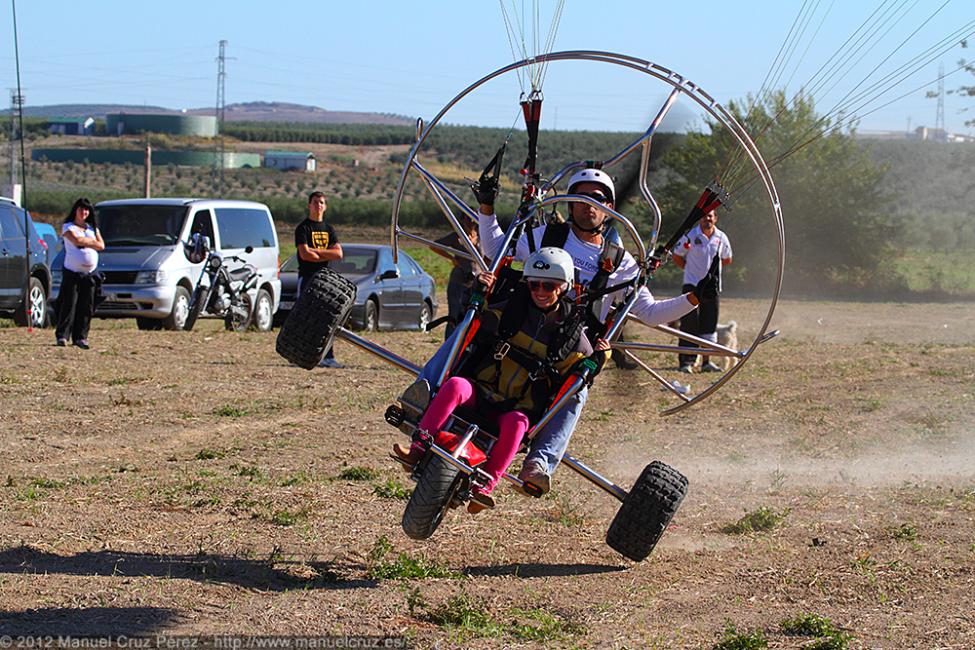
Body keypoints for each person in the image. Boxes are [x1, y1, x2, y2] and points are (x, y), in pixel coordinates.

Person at [415, 167, 716, 495]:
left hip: (567, 348)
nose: (588, 205)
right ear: (570, 204)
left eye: (597, 199)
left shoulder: (621, 263)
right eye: (581, 197)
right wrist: (486, 208)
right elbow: (497, 248)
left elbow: (650, 313)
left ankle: (540, 463)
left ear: (609, 208)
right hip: (522, 325)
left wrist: (696, 297)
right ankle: (422, 394)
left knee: (579, 385)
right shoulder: (546, 235)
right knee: (472, 326)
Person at [394, 247, 610, 514]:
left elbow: (577, 377)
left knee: (518, 425)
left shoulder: (573, 337)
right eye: (534, 285)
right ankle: (419, 445)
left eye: (549, 285)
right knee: (455, 386)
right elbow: (474, 318)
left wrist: (599, 359)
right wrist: (476, 292)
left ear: (564, 287)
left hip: (513, 408)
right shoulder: (509, 310)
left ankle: (484, 487)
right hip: (480, 390)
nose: (541, 291)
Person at [673, 209, 732, 373]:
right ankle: (686, 362)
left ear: (715, 218)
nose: (707, 219)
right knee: (689, 324)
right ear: (700, 219)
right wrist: (689, 269)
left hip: (711, 288)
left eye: (710, 216)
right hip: (692, 285)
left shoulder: (721, 237)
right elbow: (677, 255)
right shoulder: (691, 235)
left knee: (709, 324)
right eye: (705, 216)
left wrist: (713, 272)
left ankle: (706, 361)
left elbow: (727, 259)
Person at [294, 191, 344, 368]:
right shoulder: (303, 228)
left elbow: (338, 253)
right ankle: (300, 356)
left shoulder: (328, 229)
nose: (318, 205)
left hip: (325, 280)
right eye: (315, 202)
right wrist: (323, 253)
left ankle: (328, 356)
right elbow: (305, 255)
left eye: (321, 202)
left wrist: (318, 253)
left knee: (327, 319)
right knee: (306, 318)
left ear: (325, 206)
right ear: (309, 205)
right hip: (308, 278)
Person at [55, 198, 104, 349]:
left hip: (89, 274)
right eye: (81, 209)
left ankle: (80, 337)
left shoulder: (92, 229)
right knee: (69, 304)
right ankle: (63, 335)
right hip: (73, 273)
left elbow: (101, 245)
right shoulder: (68, 227)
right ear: (75, 210)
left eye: (86, 210)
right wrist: (90, 242)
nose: (84, 212)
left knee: (86, 306)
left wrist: (86, 241)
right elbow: (75, 241)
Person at [433, 218, 481, 339]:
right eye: (467, 220)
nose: (470, 222)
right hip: (459, 280)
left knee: (474, 315)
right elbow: (434, 246)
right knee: (454, 314)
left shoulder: (481, 237)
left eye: (473, 220)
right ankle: (449, 346)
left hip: (477, 282)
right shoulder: (456, 236)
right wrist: (452, 259)